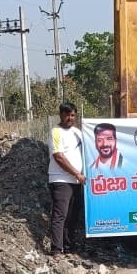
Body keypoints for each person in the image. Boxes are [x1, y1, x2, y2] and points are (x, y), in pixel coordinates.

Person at [48, 103, 85, 256]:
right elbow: (59, 157)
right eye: (67, 115)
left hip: (77, 181)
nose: (70, 118)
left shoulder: (78, 133)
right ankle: (56, 249)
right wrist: (76, 173)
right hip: (61, 180)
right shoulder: (55, 132)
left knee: (73, 216)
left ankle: (69, 247)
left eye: (72, 115)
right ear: (61, 115)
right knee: (60, 215)